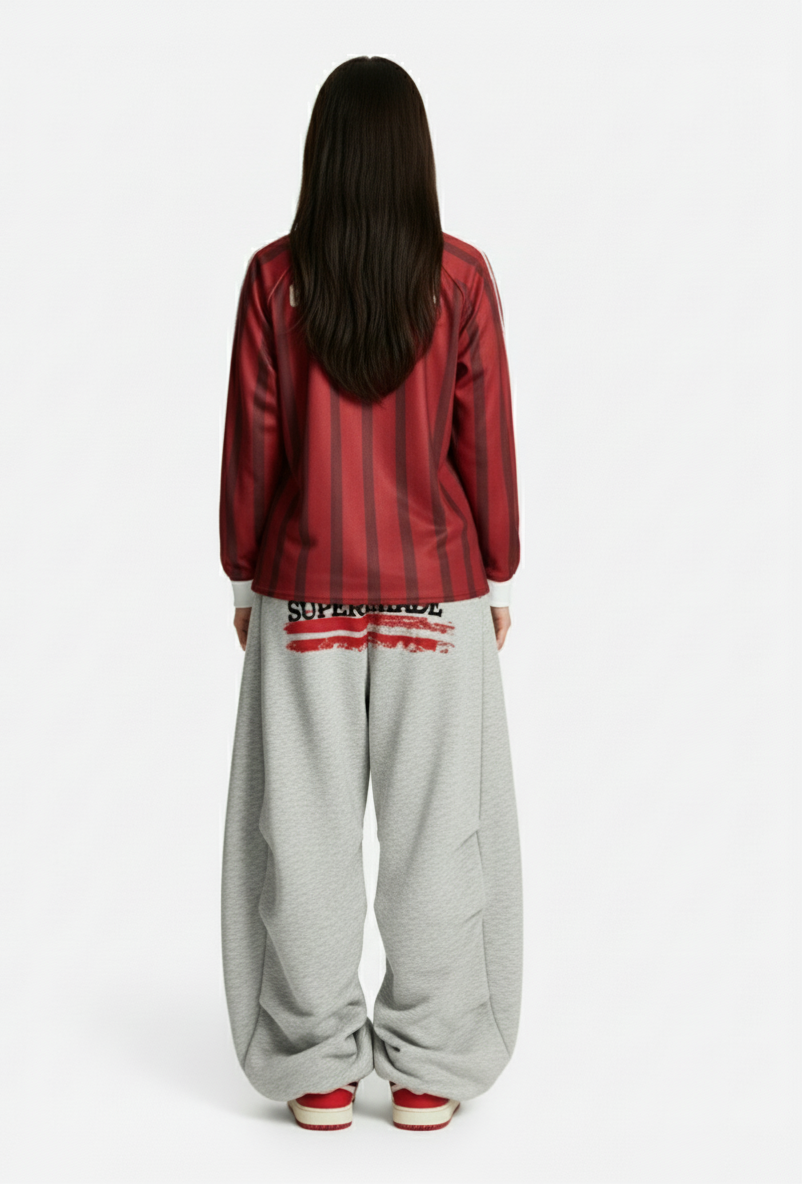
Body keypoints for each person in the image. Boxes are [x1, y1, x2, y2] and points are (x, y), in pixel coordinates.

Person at [218, 55, 523, 1133]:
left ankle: (317, 1071)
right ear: (414, 157)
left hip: (303, 589)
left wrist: (245, 575)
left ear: (324, 156)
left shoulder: (273, 278)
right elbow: (483, 442)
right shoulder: (461, 278)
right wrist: (496, 569)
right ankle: (431, 1070)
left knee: (300, 829)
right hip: (437, 592)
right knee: (440, 828)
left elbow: (254, 444)